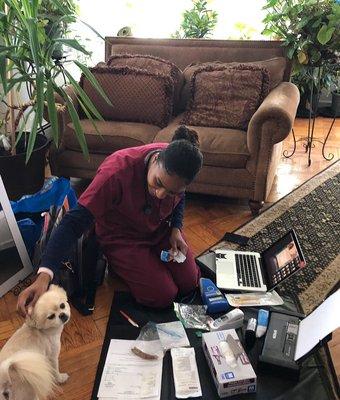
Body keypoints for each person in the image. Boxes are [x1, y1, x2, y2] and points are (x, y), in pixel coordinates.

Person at [17, 125, 203, 316]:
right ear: (156, 159)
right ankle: (117, 264)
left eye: (171, 192)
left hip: (159, 229)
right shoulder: (116, 172)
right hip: (122, 238)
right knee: (163, 295)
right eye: (158, 183)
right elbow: (72, 223)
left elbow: (180, 197)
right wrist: (44, 276)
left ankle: (147, 264)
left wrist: (175, 228)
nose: (161, 194)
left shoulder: (179, 163)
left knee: (190, 282)